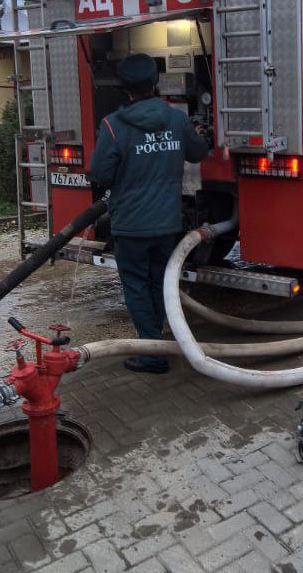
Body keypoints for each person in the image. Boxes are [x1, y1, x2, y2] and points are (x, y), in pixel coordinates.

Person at [89, 53, 210, 374]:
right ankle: (159, 340)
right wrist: (198, 132)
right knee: (161, 282)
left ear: (124, 87)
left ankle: (152, 354)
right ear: (155, 83)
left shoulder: (113, 125)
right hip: (167, 223)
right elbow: (198, 152)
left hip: (130, 225)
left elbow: (99, 173)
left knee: (137, 286)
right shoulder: (176, 119)